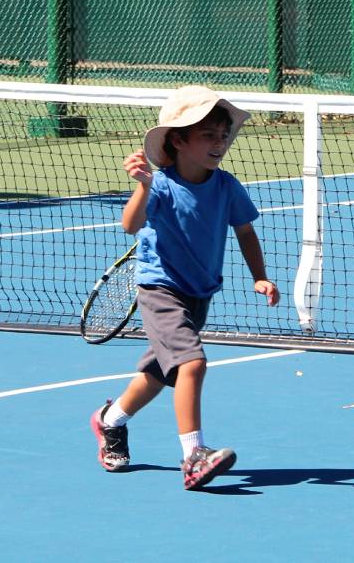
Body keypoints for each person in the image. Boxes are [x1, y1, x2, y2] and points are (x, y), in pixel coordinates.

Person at [88, 86, 280, 491]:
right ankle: (194, 456)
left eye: (223, 136)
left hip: (200, 290)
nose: (220, 144)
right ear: (178, 139)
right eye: (208, 135)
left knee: (160, 374)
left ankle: (110, 421)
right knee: (191, 363)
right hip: (161, 287)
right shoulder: (159, 186)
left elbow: (245, 231)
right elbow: (130, 225)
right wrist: (142, 185)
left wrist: (259, 275)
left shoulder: (227, 186)